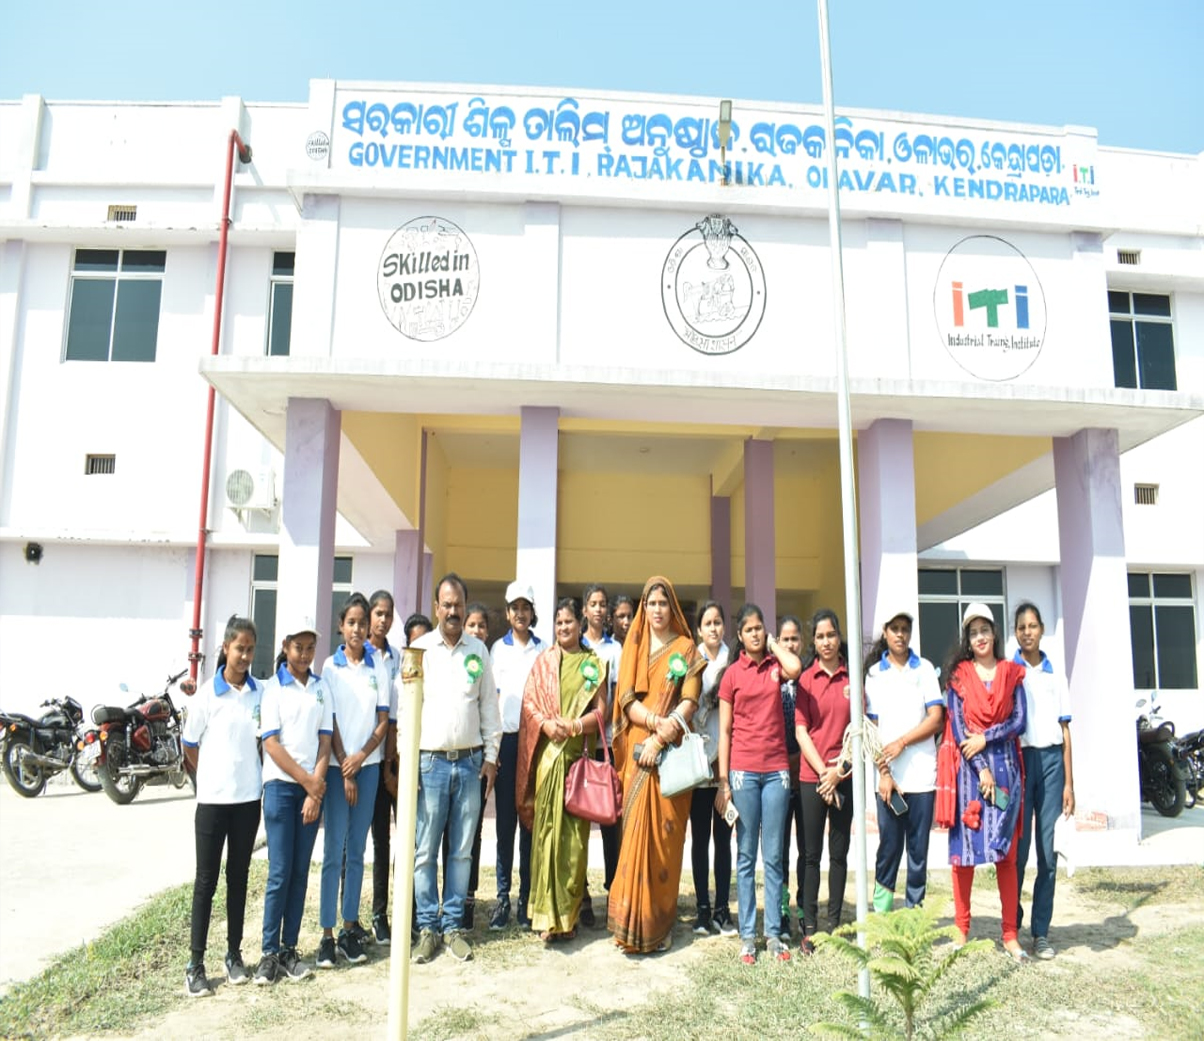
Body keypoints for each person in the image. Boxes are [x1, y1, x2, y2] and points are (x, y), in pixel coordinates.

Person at [607, 576, 703, 954]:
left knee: (665, 840)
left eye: (663, 603)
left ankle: (658, 926)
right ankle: (629, 926)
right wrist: (651, 724)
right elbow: (626, 700)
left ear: (672, 607)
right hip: (637, 750)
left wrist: (661, 737)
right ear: (643, 609)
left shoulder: (686, 648)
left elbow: (689, 701)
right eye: (651, 604)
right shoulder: (635, 645)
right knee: (633, 836)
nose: (657, 610)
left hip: (669, 754)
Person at [410, 574, 502, 964]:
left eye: (458, 605)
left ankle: (452, 928)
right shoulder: (419, 650)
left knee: (462, 851)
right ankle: (427, 928)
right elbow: (408, 710)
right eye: (446, 605)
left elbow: (489, 708)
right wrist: (408, 762)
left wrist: (491, 757)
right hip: (430, 763)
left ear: (465, 607)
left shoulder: (478, 651)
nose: (452, 611)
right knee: (425, 851)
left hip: (469, 764)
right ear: (436, 608)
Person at [936, 602, 1028, 961]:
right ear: (967, 639)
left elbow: (1019, 722)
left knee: (1007, 856)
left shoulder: (1011, 673)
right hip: (971, 777)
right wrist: (980, 768)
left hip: (1006, 772)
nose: (980, 638)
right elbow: (959, 730)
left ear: (994, 633)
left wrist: (986, 738)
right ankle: (961, 930)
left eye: (984, 630)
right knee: (964, 857)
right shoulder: (958, 678)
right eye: (973, 633)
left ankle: (1010, 935)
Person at [717, 604, 803, 964]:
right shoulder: (731, 675)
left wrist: (772, 644)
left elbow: (796, 668)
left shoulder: (774, 667)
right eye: (749, 629)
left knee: (774, 855)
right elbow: (725, 731)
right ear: (739, 635)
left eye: (759, 628)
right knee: (746, 854)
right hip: (743, 773)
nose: (755, 634)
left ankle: (773, 935)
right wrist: (723, 781)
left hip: (777, 772)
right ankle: (748, 936)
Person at [182, 615, 263, 998]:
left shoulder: (259, 693)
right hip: (213, 803)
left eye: (250, 650)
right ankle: (195, 964)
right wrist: (209, 777)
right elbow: (189, 745)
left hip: (248, 801)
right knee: (206, 881)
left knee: (239, 878)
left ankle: (233, 955)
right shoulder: (206, 696)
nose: (244, 656)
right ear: (226, 648)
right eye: (239, 649)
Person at [516, 598, 607, 941]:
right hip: (548, 758)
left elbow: (601, 714)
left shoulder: (593, 664)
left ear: (580, 624)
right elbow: (529, 703)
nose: (564, 627)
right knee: (546, 837)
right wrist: (545, 724)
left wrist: (573, 726)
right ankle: (545, 919)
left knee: (573, 843)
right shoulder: (544, 662)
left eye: (569, 622)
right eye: (559, 623)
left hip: (576, 762)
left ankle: (567, 919)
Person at [256, 617, 332, 984]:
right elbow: (271, 744)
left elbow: (325, 740)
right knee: (280, 871)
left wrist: (315, 788)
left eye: (310, 648)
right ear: (285, 647)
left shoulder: (321, 687)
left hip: (310, 791)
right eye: (298, 647)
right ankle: (268, 952)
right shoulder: (273, 689)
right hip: (281, 789)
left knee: (300, 872)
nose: (304, 654)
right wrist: (309, 783)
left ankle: (289, 949)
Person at [316, 593, 390, 969]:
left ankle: (349, 929)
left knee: (358, 852)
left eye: (363, 623)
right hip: (336, 768)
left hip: (369, 767)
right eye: (351, 622)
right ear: (341, 626)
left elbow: (383, 721)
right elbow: (329, 721)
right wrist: (346, 763)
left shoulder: (379, 666)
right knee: (334, 852)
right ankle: (327, 935)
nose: (358, 629)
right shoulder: (330, 667)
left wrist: (361, 758)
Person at [863, 607, 944, 914]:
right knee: (888, 848)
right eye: (894, 628)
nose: (900, 634)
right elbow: (870, 731)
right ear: (885, 633)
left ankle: (914, 915)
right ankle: (881, 915)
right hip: (888, 780)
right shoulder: (874, 675)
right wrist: (884, 773)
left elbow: (936, 718)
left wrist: (902, 742)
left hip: (921, 776)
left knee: (918, 851)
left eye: (905, 628)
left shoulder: (925, 669)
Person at [1013, 601, 1075, 960]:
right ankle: (1013, 925)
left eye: (1033, 626)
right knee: (1018, 853)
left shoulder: (1055, 675)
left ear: (1042, 629)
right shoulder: (1010, 672)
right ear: (1015, 633)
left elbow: (1065, 731)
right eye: (1021, 627)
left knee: (1047, 854)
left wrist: (1069, 783)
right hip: (1021, 762)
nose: (1028, 632)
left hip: (1051, 764)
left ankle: (1041, 932)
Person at [794, 608, 853, 955]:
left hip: (843, 776)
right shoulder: (805, 680)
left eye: (831, 635)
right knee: (811, 855)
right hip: (811, 778)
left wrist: (838, 772)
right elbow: (801, 731)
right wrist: (822, 773)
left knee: (839, 855)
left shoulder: (851, 678)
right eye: (819, 636)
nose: (826, 641)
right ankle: (810, 929)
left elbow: (858, 732)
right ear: (813, 641)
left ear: (838, 637)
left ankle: (834, 926)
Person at [489, 581, 543, 930]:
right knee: (505, 823)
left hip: (534, 743)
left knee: (529, 822)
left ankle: (526, 898)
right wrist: (493, 750)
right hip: (506, 743)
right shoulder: (498, 649)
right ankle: (502, 898)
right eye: (515, 607)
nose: (520, 613)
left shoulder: (543, 650)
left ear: (532, 612)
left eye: (526, 607)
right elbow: (492, 701)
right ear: (508, 613)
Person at [689, 600, 736, 937]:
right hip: (696, 765)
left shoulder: (733, 662)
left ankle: (723, 909)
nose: (714, 628)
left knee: (723, 839)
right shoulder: (690, 661)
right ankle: (702, 909)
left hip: (726, 765)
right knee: (700, 839)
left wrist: (725, 776)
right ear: (699, 630)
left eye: (718, 622)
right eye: (708, 623)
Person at [444, 600, 492, 928]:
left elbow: (489, 710)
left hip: (478, 758)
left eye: (481, 625)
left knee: (470, 833)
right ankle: (442, 902)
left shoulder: (485, 656)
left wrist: (491, 756)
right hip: (445, 759)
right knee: (443, 833)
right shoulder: (453, 656)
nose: (476, 630)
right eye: (471, 624)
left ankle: (466, 899)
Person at [580, 583, 624, 924]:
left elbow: (619, 694)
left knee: (611, 821)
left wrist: (603, 722)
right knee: (579, 821)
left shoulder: (615, 649)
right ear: (584, 609)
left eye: (602, 604)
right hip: (578, 746)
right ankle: (581, 896)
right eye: (593, 603)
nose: (598, 608)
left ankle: (613, 891)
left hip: (606, 746)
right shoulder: (575, 646)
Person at [367, 590, 401, 947]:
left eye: (388, 614)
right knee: (372, 841)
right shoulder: (356, 657)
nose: (383, 620)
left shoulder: (398, 658)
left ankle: (396, 910)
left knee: (396, 841)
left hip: (393, 762)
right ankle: (369, 916)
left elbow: (397, 715)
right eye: (378, 613)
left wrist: (392, 767)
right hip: (366, 763)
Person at [776, 614, 805, 939]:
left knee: (806, 848)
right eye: (785, 639)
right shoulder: (771, 678)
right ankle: (782, 910)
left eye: (795, 638)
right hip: (778, 775)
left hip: (806, 772)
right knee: (779, 848)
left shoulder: (808, 678)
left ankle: (804, 908)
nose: (791, 644)